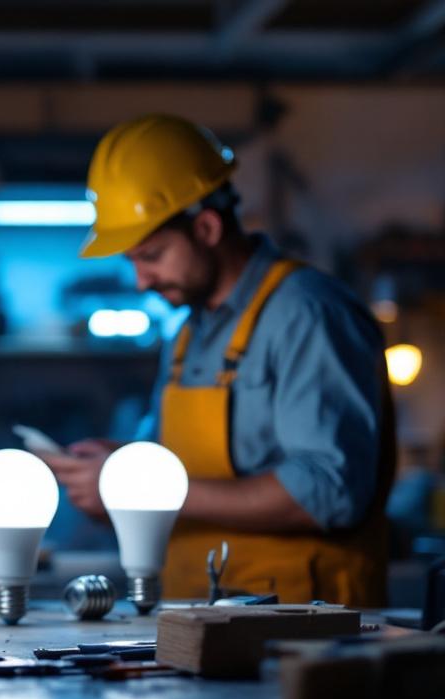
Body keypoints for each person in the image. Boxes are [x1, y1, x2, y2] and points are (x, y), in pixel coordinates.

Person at [42, 114, 394, 606]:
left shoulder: (307, 314)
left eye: (152, 255)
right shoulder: (189, 332)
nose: (141, 280)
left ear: (206, 227)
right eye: (132, 261)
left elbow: (329, 491)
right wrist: (117, 470)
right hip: (194, 614)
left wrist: (143, 486)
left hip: (303, 623)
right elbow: (177, 472)